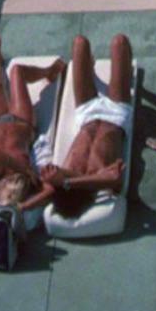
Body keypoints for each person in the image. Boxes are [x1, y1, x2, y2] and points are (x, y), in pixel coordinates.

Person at [0, 33, 67, 214]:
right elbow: (51, 191)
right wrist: (24, 206)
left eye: (10, 185)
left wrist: (24, 169)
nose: (14, 181)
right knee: (17, 71)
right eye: (18, 186)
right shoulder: (32, 180)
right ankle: (49, 72)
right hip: (21, 122)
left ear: (1, 191)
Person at [40, 35, 133, 214]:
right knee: (119, 42)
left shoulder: (57, 177)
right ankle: (124, 73)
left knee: (79, 42)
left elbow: (44, 190)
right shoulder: (104, 182)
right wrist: (66, 182)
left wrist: (62, 181)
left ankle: (90, 67)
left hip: (86, 114)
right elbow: (115, 177)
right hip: (117, 114)